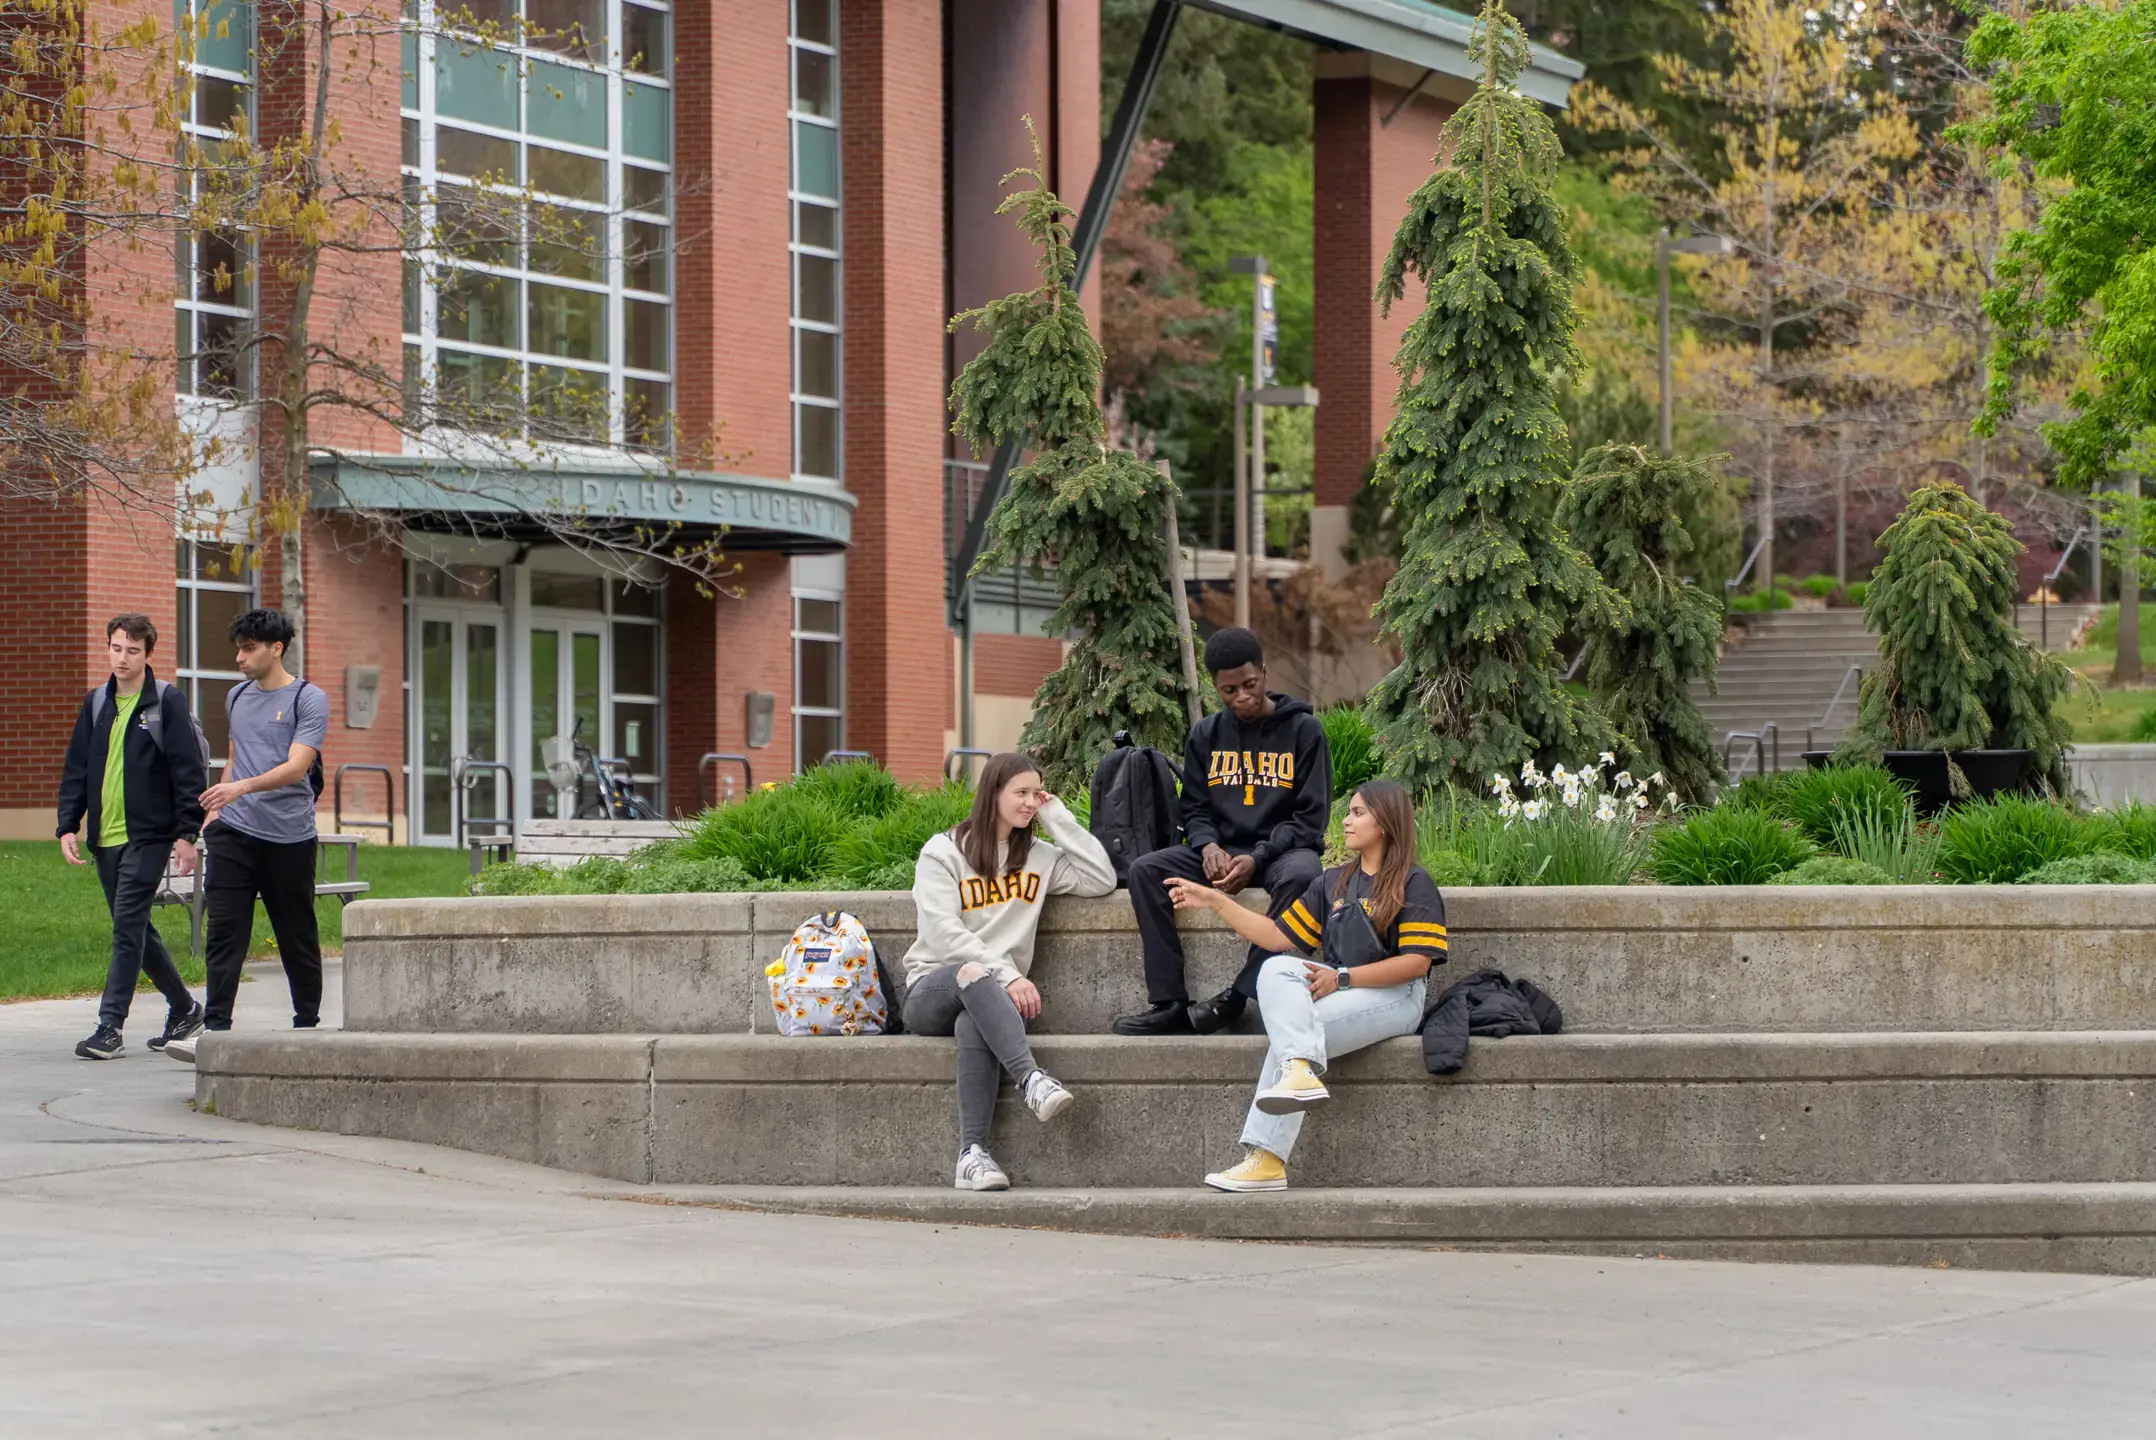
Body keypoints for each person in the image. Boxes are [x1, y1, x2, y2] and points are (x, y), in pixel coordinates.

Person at [1165, 780, 1447, 1193]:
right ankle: (1298, 1073)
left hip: (1397, 998)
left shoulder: (1414, 882)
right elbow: (1276, 936)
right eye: (1348, 812)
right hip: (1341, 992)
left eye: (1357, 813)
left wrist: (1343, 978)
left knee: (1290, 1040)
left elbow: (1416, 963)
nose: (1346, 821)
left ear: (1385, 822)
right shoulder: (1334, 882)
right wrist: (1216, 901)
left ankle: (1266, 1160)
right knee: (1275, 969)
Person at [902, 751, 1117, 1191]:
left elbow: (1101, 879)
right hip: (933, 989)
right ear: (993, 793)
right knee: (971, 972)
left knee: (973, 1021)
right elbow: (943, 934)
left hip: (992, 1000)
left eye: (1036, 794)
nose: (1030, 803)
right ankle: (1031, 1078)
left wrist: (1056, 817)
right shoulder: (943, 852)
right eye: (1021, 793)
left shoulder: (1039, 857)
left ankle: (972, 1156)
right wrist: (1009, 975)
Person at [1112, 627, 1331, 1036]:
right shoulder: (1206, 735)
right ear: (1216, 688)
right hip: (1222, 851)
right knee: (1146, 871)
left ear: (1264, 673)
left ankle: (1238, 997)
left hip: (1281, 853)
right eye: (1230, 690)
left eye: (1250, 684)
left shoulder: (1304, 731)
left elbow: (1310, 818)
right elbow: (1195, 807)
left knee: (1305, 875)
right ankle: (1169, 1003)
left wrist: (1258, 857)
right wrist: (1207, 845)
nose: (1242, 696)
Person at [166, 609, 330, 1064]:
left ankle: (307, 1026)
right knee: (224, 932)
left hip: (289, 837)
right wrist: (216, 811)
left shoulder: (308, 699)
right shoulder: (236, 696)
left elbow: (296, 767)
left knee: (295, 933)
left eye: (248, 648)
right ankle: (214, 1031)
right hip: (234, 832)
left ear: (276, 649)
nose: (239, 657)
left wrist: (239, 788)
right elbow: (236, 758)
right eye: (238, 648)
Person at [56, 615, 209, 1059]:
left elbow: (187, 770)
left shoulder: (166, 702)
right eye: (117, 648)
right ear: (108, 648)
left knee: (126, 927)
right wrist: (68, 823)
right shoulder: (96, 703)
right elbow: (78, 768)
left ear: (147, 654)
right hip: (106, 838)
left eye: (133, 651)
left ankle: (110, 1027)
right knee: (136, 927)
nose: (123, 658)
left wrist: (186, 833)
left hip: (149, 835)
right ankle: (186, 1010)